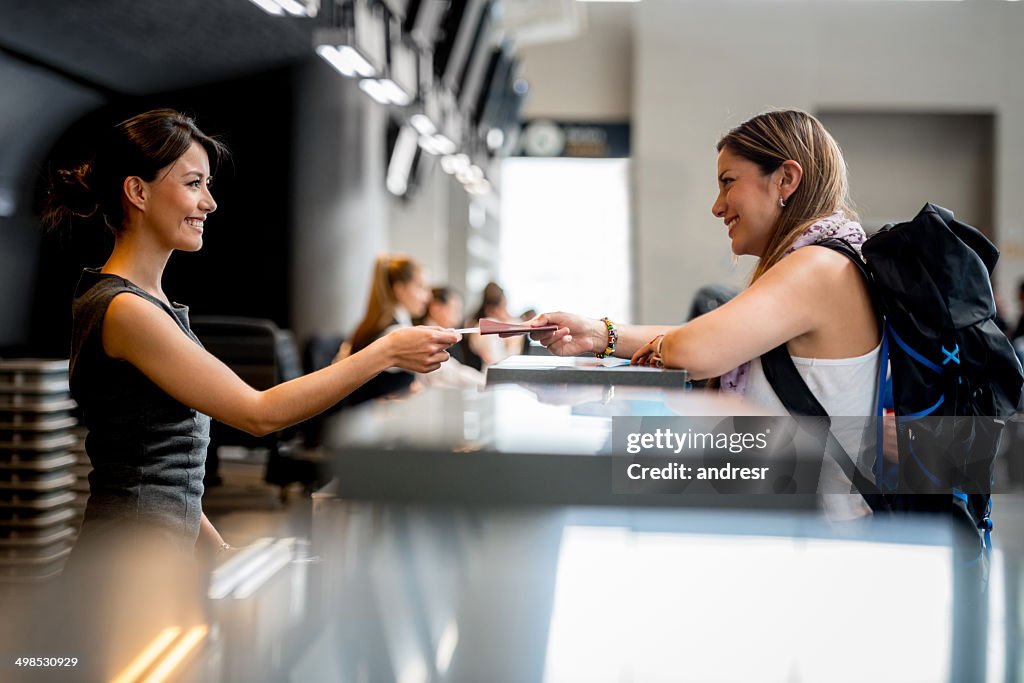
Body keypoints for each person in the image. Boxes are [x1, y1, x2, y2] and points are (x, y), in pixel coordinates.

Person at [44, 109, 459, 561]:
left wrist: (218, 548)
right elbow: (258, 414)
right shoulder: (126, 310)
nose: (209, 202)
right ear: (137, 191)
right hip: (128, 563)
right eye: (193, 183)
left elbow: (162, 471)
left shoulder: (149, 304)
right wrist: (386, 351)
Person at [529, 110, 881, 513]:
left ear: (786, 178)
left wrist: (665, 344)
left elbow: (696, 349)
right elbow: (712, 338)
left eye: (728, 182)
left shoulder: (818, 267)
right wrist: (597, 333)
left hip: (813, 531)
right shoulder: (826, 261)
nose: (717, 207)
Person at [337, 254, 438, 405]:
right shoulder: (393, 332)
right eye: (421, 287)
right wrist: (481, 380)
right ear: (400, 289)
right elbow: (442, 371)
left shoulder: (384, 322)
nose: (428, 297)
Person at [416, 286, 485, 388]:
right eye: (455, 310)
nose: (459, 317)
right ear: (435, 308)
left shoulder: (449, 335)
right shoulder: (425, 338)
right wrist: (485, 381)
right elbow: (450, 373)